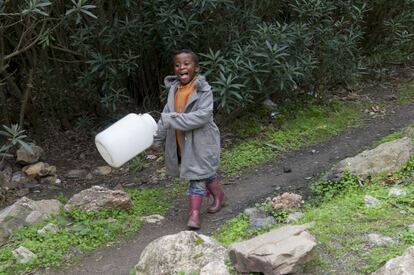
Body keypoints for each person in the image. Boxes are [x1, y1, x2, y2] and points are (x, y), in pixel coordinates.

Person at [152, 49, 225, 229]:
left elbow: (203, 116)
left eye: (186, 64)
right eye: (177, 65)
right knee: (202, 171)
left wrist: (173, 119)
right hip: (182, 142)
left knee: (196, 176)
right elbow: (166, 115)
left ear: (196, 68)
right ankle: (219, 195)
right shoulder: (174, 89)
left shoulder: (203, 90)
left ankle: (194, 216)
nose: (181, 67)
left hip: (201, 141)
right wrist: (158, 139)